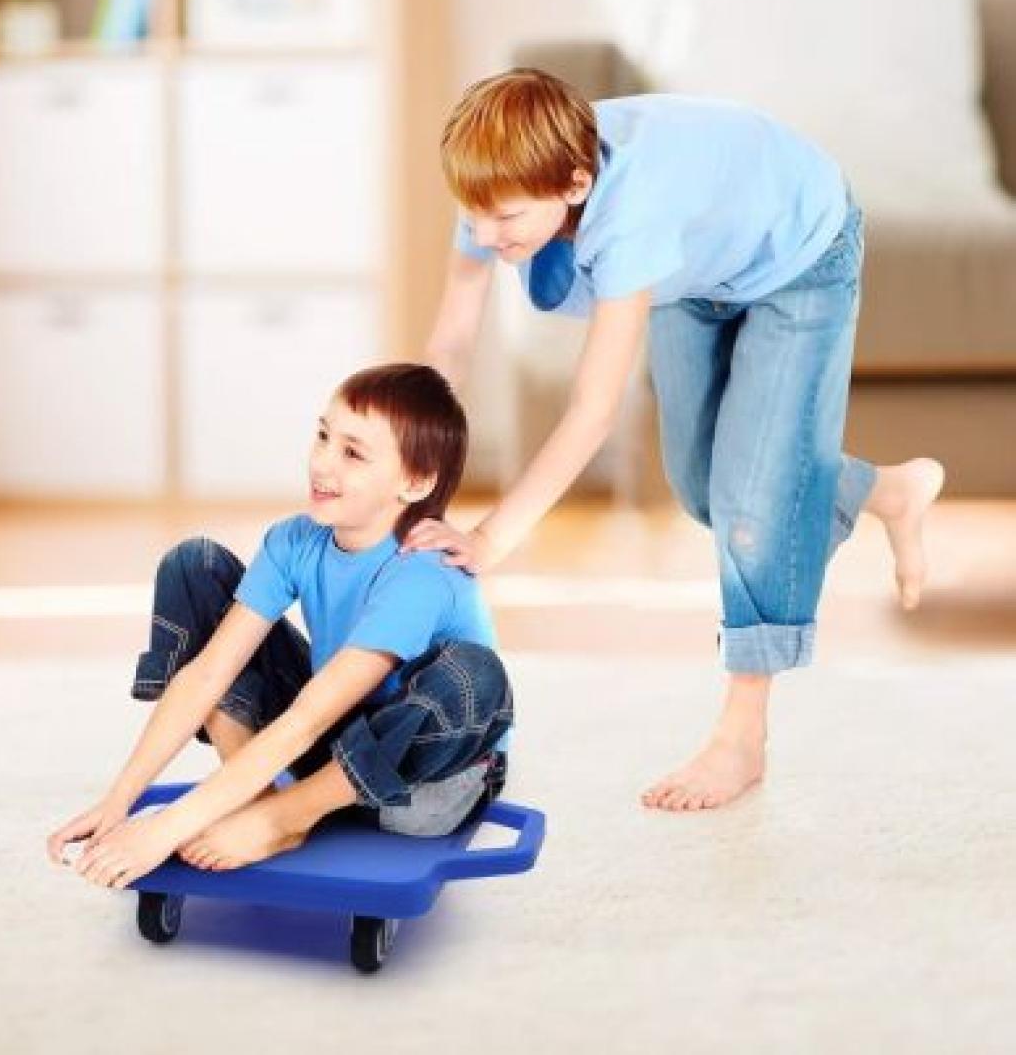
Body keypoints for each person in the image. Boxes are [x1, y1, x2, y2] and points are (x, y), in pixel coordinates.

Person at [402, 68, 944, 813]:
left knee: (752, 511)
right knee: (702, 487)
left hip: (798, 253)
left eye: (505, 219)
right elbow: (451, 343)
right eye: (475, 215)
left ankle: (742, 736)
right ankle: (889, 490)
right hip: (699, 265)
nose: (485, 235)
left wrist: (491, 538)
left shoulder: (634, 217)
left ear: (574, 184)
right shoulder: (499, 178)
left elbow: (593, 410)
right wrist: (411, 492)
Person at [46, 363, 513, 890]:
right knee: (194, 567)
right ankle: (255, 796)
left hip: (420, 785)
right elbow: (208, 675)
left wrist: (166, 829)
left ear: (416, 482)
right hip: (330, 745)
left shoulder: (421, 573)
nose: (322, 463)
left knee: (475, 674)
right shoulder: (294, 540)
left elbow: (308, 719)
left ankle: (282, 818)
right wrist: (118, 803)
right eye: (323, 436)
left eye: (353, 454)